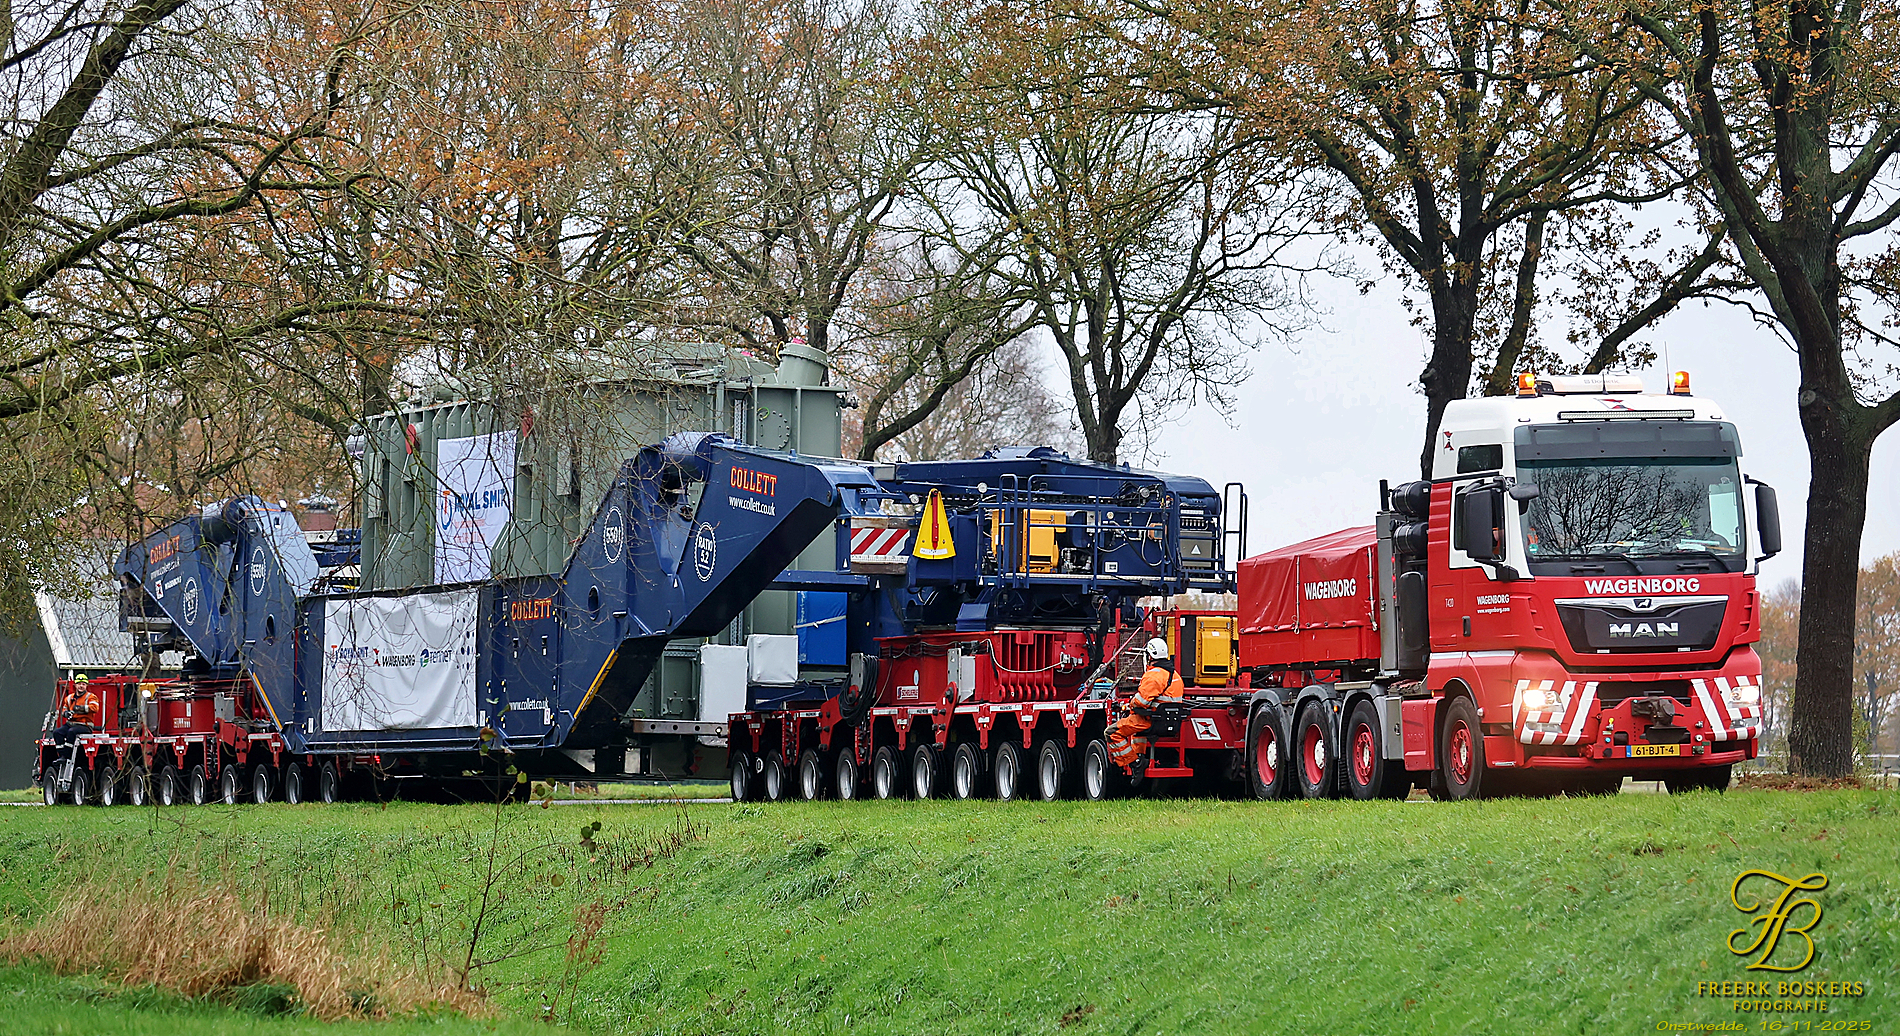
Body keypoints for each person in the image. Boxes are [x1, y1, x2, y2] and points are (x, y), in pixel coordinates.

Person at [1107, 639, 1184, 774]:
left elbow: (1141, 702)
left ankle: (1135, 762)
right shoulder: (1176, 675)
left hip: (1151, 721)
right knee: (1136, 727)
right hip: (1170, 722)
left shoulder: (1154, 675)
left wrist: (1130, 703)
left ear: (1150, 656)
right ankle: (1140, 756)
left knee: (1111, 732)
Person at [50, 675, 101, 749]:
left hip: (85, 725)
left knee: (71, 732)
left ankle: (67, 754)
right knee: (57, 733)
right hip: (71, 724)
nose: (81, 686)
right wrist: (66, 713)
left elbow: (95, 708)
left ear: (86, 685)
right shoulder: (69, 698)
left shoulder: (91, 697)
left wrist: (81, 708)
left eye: (83, 684)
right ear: (75, 685)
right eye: (79, 684)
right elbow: (64, 710)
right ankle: (62, 755)